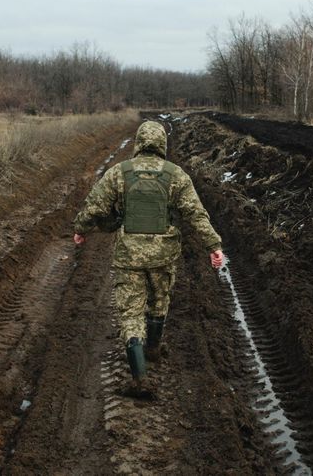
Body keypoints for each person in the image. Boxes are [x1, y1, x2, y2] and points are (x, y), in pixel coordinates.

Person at [73, 120, 224, 389]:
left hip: (129, 255)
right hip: (163, 256)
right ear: (162, 144)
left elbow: (95, 206)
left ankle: (139, 378)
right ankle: (153, 349)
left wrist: (81, 229)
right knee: (158, 303)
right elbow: (195, 214)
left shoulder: (120, 172)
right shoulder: (175, 175)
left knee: (131, 314)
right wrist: (213, 246)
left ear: (139, 142)